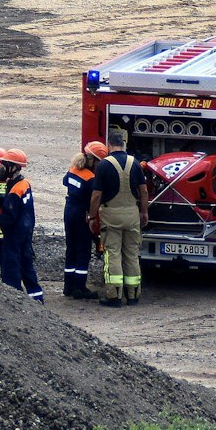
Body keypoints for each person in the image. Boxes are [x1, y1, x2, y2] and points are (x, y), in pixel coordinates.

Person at [90, 130, 150, 307]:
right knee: (132, 254)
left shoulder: (103, 165)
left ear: (108, 145)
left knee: (113, 254)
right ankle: (133, 295)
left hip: (111, 217)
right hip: (132, 215)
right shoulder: (135, 163)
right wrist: (144, 212)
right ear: (123, 144)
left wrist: (92, 216)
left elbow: (96, 195)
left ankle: (114, 296)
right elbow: (144, 191)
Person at [0, 150, 44, 302]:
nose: (0, 168)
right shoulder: (23, 183)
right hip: (25, 234)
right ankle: (37, 299)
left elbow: (8, 218)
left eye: (4, 164)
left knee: (11, 271)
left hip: (13, 237)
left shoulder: (15, 190)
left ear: (13, 167)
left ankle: (15, 302)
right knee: (27, 269)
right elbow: (12, 205)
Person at [61, 149, 100, 299]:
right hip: (81, 214)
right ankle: (79, 288)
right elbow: (94, 197)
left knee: (71, 249)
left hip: (69, 210)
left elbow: (65, 182)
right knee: (83, 250)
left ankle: (68, 287)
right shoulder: (90, 178)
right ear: (93, 161)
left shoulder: (72, 170)